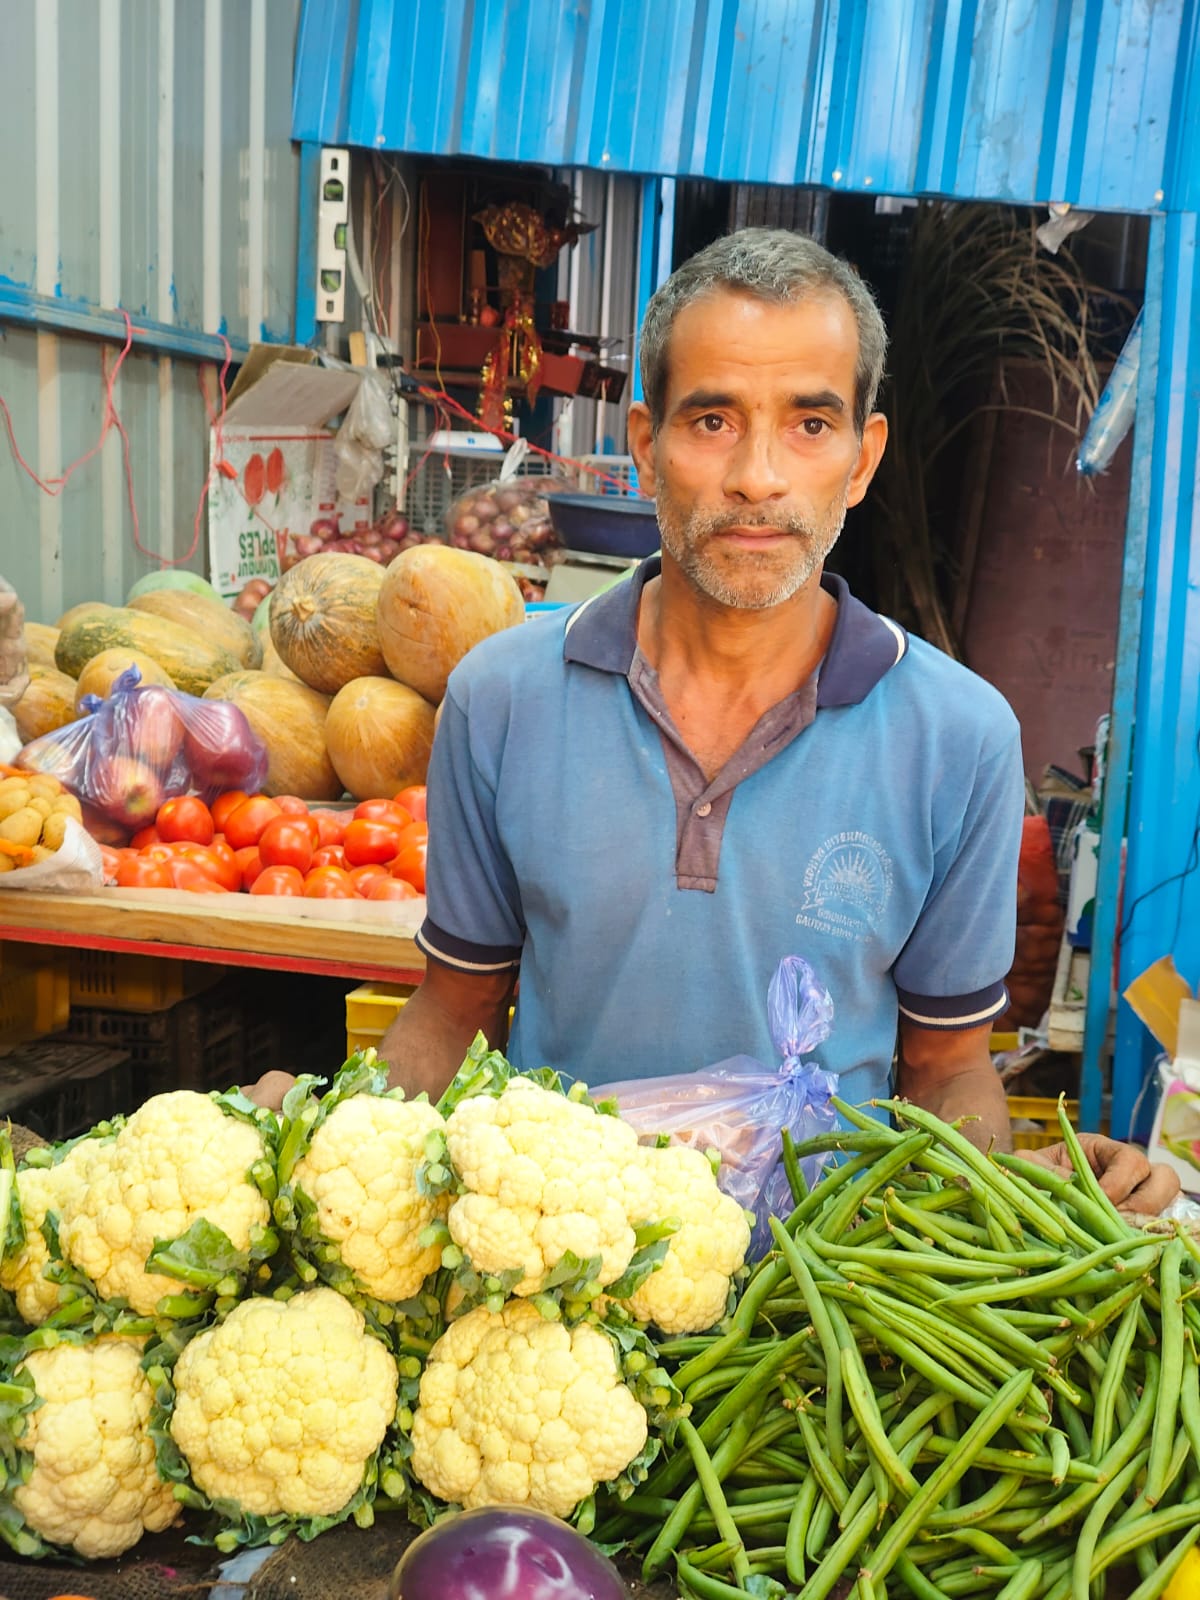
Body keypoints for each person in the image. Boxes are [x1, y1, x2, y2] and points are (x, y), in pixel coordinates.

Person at [251, 228, 1178, 1215]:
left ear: (862, 461)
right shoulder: (505, 696)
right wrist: (323, 1130)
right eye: (713, 421)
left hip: (814, 1317)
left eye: (810, 425)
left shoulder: (958, 737)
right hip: (554, 1291)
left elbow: (948, 1068)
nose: (758, 476)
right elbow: (454, 1008)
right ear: (647, 444)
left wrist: (1027, 1207)